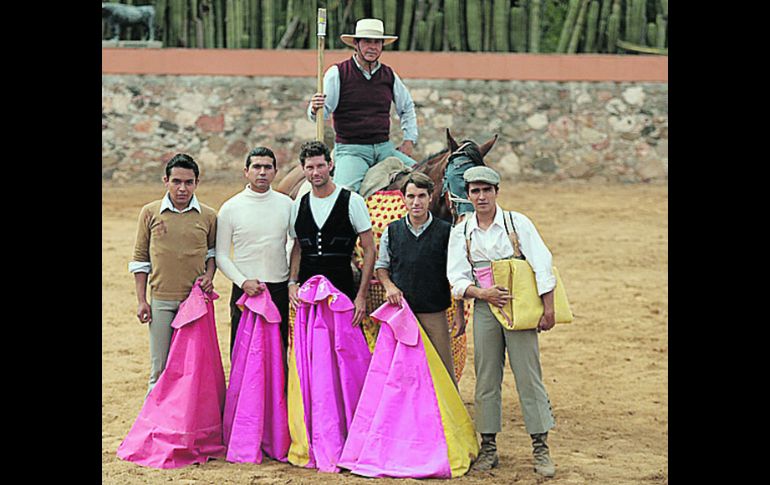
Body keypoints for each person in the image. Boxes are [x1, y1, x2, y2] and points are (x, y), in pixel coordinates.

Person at [446, 166, 557, 477]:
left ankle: (541, 447)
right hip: (485, 306)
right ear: (468, 195)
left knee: (528, 376)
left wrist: (547, 309)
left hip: (519, 305)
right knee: (486, 377)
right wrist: (482, 293)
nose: (481, 196)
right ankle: (489, 447)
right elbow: (456, 277)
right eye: (475, 191)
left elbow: (542, 264)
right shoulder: (462, 232)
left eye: (487, 190)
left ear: (496, 192)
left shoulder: (517, 223)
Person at [128, 153, 217, 395]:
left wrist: (209, 276)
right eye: (176, 181)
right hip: (161, 300)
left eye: (188, 182)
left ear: (197, 183)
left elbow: (212, 254)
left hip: (195, 301)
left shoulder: (208, 216)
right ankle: (154, 414)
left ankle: (187, 414)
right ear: (165, 181)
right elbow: (140, 260)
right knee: (159, 367)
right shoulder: (150, 212)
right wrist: (142, 301)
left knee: (193, 366)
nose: (182, 188)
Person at [307, 18, 418, 194]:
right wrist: (315, 108)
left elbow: (407, 107)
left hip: (385, 149)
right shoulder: (337, 73)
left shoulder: (389, 75)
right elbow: (322, 113)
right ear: (356, 44)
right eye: (367, 42)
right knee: (344, 196)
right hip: (351, 151)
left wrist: (409, 140)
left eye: (377, 42)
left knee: (422, 179)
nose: (372, 47)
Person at [374, 172, 458, 386]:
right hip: (402, 312)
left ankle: (447, 410)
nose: (416, 202)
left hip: (434, 311)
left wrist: (459, 312)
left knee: (442, 371)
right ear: (403, 198)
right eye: (411, 196)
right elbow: (381, 267)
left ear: (430, 197)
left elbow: (457, 274)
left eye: (421, 196)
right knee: (400, 372)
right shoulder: (392, 231)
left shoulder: (447, 232)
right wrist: (389, 286)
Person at [215, 146, 293, 361]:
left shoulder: (287, 205)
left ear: (275, 172)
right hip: (245, 290)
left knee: (277, 350)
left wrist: (287, 275)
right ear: (246, 171)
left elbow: (294, 243)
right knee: (243, 351)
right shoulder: (230, 208)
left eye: (268, 167)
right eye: (257, 167)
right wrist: (243, 282)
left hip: (279, 288)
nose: (262, 172)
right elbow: (221, 255)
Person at [288, 140, 376, 326]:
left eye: (320, 166)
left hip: (343, 289)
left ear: (330, 165)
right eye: (310, 167)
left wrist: (361, 295)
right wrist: (292, 282)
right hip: (308, 292)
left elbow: (369, 249)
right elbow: (297, 247)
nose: (316, 172)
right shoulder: (298, 205)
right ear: (303, 170)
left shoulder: (353, 201)